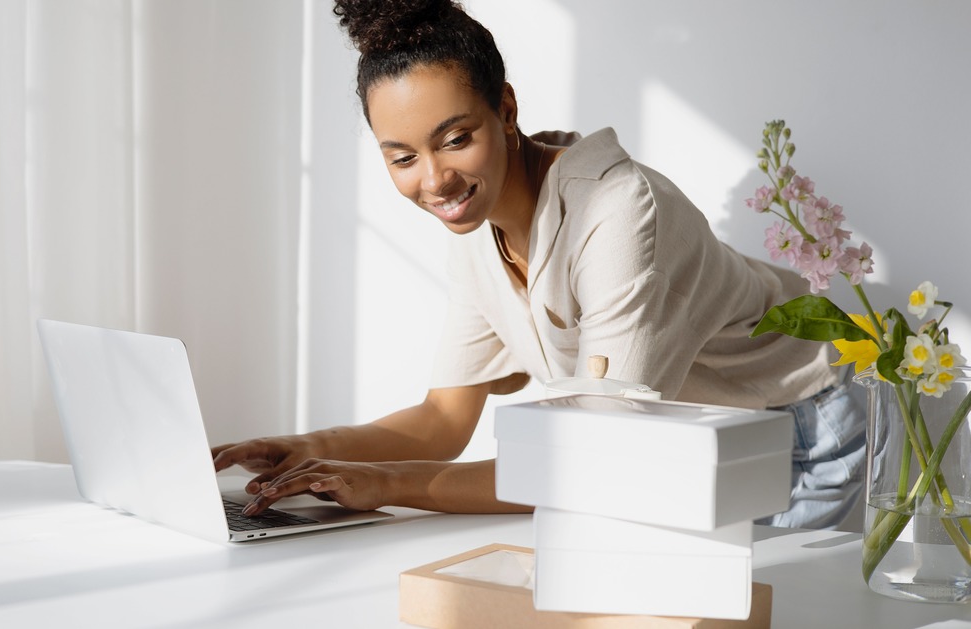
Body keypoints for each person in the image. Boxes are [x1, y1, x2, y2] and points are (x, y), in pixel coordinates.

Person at [211, 0, 865, 530]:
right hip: (690, 442)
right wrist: (308, 450)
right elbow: (443, 419)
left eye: (455, 139)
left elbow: (594, 456)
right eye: (402, 157)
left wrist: (388, 483)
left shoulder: (617, 208)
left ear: (507, 110)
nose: (435, 179)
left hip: (800, 433)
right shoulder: (477, 222)